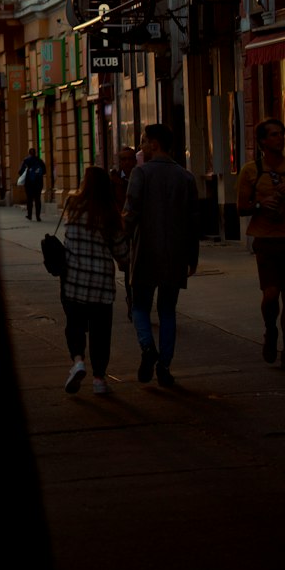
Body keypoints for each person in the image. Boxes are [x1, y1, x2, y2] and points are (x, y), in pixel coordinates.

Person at [124, 123, 199, 388]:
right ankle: (164, 365)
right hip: (175, 254)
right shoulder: (185, 177)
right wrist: (193, 256)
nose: (141, 146)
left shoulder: (140, 173)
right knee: (168, 309)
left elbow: (130, 212)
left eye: (143, 141)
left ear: (154, 144)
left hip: (145, 251)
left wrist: (121, 242)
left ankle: (147, 347)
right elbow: (193, 221)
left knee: (140, 305)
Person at [61, 166, 130, 396]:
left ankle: (78, 361)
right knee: (101, 333)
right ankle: (99, 379)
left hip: (74, 280)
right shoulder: (110, 213)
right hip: (101, 284)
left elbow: (68, 237)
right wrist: (124, 262)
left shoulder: (72, 205)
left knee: (75, 325)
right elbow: (121, 252)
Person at [236, 117, 285, 366]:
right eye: (273, 134)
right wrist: (260, 204)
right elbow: (241, 208)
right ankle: (271, 330)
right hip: (266, 241)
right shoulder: (251, 170)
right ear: (261, 141)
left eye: (280, 133)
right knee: (271, 294)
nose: (279, 138)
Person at [19, 147, 47, 222]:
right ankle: (38, 216)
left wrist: (27, 172)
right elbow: (44, 171)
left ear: (29, 153)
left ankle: (29, 215)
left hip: (29, 184)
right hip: (38, 183)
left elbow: (20, 171)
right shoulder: (40, 161)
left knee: (29, 199)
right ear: (35, 153)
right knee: (38, 199)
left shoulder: (26, 161)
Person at [109, 146, 137, 213]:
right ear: (120, 162)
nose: (127, 162)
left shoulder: (140, 179)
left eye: (130, 159)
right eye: (124, 159)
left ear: (135, 161)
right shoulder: (113, 181)